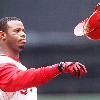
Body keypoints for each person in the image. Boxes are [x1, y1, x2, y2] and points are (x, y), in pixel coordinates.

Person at [0, 16, 87, 100]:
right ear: (2, 35)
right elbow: (21, 78)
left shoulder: (17, 66)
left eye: (23, 31)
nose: (23, 34)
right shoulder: (2, 63)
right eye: (17, 31)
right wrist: (59, 67)